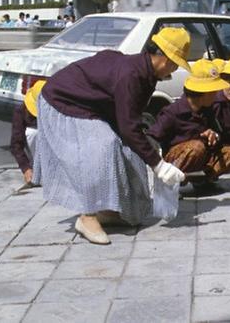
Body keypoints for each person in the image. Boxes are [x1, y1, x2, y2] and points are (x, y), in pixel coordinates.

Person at [33, 27, 191, 245]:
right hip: (63, 100)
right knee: (102, 146)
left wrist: (148, 153)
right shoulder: (132, 74)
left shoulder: (145, 73)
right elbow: (128, 127)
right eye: (174, 63)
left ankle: (107, 208)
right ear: (163, 57)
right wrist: (158, 165)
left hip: (93, 106)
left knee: (129, 151)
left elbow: (130, 122)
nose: (173, 69)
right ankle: (87, 215)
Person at [147, 59, 230, 183]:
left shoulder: (209, 109)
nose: (217, 93)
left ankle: (202, 180)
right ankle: (172, 182)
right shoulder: (172, 112)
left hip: (204, 157)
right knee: (196, 147)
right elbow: (151, 138)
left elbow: (220, 135)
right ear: (204, 92)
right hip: (175, 162)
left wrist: (214, 135)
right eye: (213, 91)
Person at [9, 80, 46, 187]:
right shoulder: (20, 111)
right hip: (35, 147)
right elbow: (16, 145)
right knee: (32, 132)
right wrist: (26, 169)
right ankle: (37, 167)